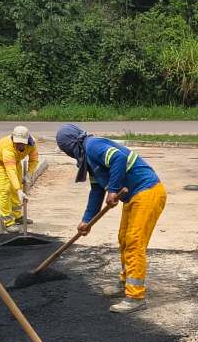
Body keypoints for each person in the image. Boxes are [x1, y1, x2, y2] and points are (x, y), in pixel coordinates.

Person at [54, 124, 166, 313]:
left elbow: (118, 158)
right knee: (124, 239)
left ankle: (135, 297)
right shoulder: (89, 159)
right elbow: (97, 190)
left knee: (134, 243)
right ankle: (125, 282)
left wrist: (113, 189)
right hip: (133, 196)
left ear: (71, 145)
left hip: (147, 191)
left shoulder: (93, 146)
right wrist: (86, 220)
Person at [0, 126, 40, 228]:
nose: (20, 145)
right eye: (18, 143)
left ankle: (18, 216)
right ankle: (8, 221)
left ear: (27, 140)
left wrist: (29, 174)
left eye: (22, 143)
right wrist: (18, 190)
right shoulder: (8, 149)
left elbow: (34, 160)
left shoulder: (32, 144)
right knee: (5, 190)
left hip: (15, 161)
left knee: (16, 188)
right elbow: (10, 171)